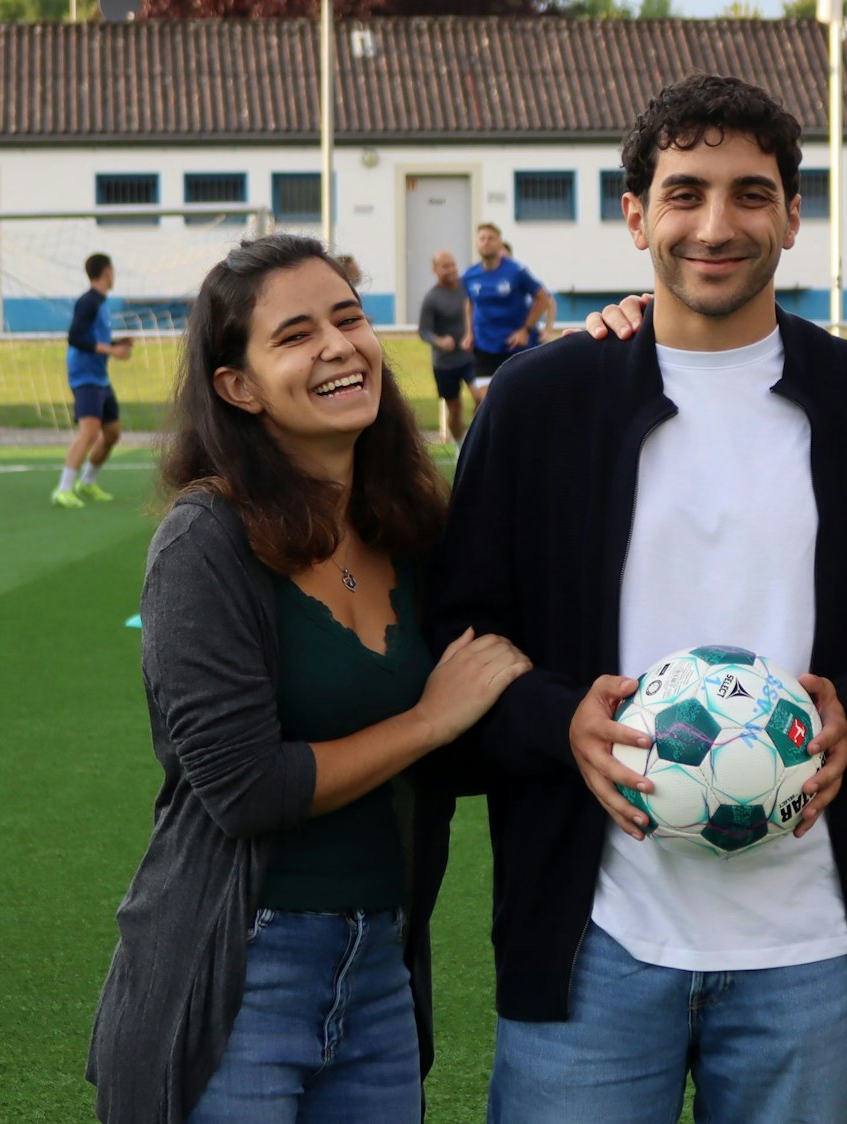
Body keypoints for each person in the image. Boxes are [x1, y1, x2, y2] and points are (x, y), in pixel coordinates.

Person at [428, 74, 847, 1123]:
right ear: (636, 216)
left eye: (750, 194)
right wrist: (557, 721)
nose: (715, 226)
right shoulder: (541, 404)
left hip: (806, 945)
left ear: (792, 216)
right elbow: (460, 632)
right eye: (684, 193)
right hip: (593, 938)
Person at [86, 234, 531, 1124]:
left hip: (380, 966)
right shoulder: (204, 543)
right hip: (237, 969)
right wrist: (428, 720)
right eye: (294, 335)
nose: (338, 346)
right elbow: (246, 789)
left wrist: (618, 340)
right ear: (238, 387)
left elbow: (476, 733)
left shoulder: (409, 527)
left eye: (348, 319)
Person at [53, 253, 131, 509]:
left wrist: (116, 345)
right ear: (107, 272)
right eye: (113, 270)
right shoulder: (88, 301)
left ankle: (86, 482)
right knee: (90, 432)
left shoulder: (101, 303)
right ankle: (63, 489)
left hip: (99, 376)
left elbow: (93, 339)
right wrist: (112, 351)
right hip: (84, 375)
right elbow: (75, 337)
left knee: (112, 433)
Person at [460, 222, 550, 401]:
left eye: (491, 238)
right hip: (484, 346)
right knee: (487, 401)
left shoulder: (516, 271)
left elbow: (543, 298)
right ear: (477, 243)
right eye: (482, 239)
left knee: (518, 399)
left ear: (500, 243)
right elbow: (469, 303)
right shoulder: (469, 275)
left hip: (514, 346)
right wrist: (469, 333)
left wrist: (525, 330)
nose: (486, 242)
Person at [417, 249, 475, 444]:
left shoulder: (467, 289)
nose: (451, 270)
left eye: (452, 265)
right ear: (435, 270)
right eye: (445, 267)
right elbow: (424, 331)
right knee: (455, 409)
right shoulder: (432, 298)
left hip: (470, 357)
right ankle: (460, 446)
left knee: (482, 398)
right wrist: (440, 341)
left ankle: (477, 438)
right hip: (445, 363)